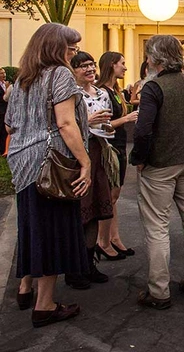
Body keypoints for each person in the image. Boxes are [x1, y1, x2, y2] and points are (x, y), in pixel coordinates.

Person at [5, 23, 90, 327]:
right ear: (56, 47)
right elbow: (66, 124)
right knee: (54, 231)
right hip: (51, 163)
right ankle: (45, 305)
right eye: (71, 47)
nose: (74, 52)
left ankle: (26, 287)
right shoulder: (60, 74)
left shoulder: (21, 80)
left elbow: (10, 125)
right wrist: (85, 162)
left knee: (32, 228)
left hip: (23, 163)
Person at [130, 35, 184, 309]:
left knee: (157, 227)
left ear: (155, 58)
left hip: (161, 164)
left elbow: (142, 129)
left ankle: (159, 291)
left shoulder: (154, 86)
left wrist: (139, 159)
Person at [66, 52, 116, 290]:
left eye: (91, 64)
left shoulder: (103, 93)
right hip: (78, 155)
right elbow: (65, 125)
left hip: (99, 151)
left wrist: (106, 125)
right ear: (72, 70)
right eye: (82, 65)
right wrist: (88, 121)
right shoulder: (71, 94)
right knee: (80, 211)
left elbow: (107, 124)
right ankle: (74, 268)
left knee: (96, 209)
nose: (88, 69)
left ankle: (89, 263)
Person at [95, 52, 139, 259]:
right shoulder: (101, 92)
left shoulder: (115, 91)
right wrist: (127, 118)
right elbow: (101, 125)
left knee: (114, 195)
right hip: (110, 148)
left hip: (120, 147)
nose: (125, 68)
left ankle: (114, 238)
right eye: (122, 63)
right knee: (110, 195)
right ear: (112, 65)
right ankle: (103, 241)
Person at [0, 67, 8, 152]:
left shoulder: (6, 84)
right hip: (1, 111)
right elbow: (3, 98)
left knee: (4, 131)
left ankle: (3, 149)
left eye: (4, 73)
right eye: (2, 73)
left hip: (6, 111)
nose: (4, 75)